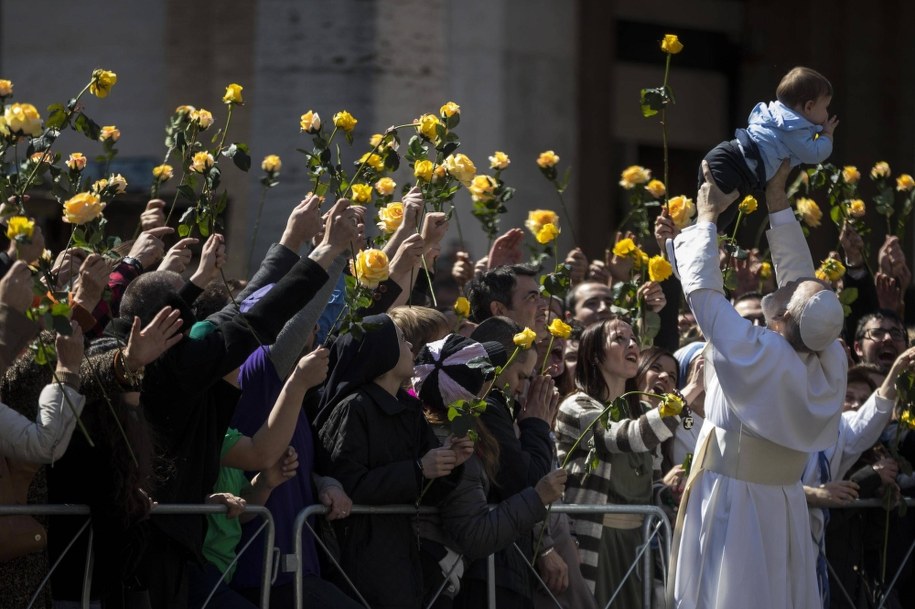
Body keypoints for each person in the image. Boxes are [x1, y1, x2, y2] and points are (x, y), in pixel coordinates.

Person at [666, 160, 847, 609]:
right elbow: (801, 282)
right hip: (781, 503)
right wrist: (777, 200)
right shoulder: (829, 356)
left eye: (791, 293)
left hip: (735, 504)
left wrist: (706, 220)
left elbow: (706, 299)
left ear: (784, 319)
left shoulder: (760, 353)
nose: (788, 285)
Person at [318, 314, 473, 609]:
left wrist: (451, 461)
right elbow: (347, 484)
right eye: (401, 339)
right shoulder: (353, 408)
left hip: (401, 550)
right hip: (361, 555)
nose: (411, 344)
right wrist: (418, 470)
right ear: (382, 352)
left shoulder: (409, 410)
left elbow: (430, 487)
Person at [556, 317, 681, 607]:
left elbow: (650, 488)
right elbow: (623, 437)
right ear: (595, 355)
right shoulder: (577, 406)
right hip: (597, 543)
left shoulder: (640, 411)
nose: (632, 344)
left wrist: (673, 491)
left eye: (634, 339)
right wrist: (686, 396)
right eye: (619, 339)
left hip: (636, 547)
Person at [802, 347, 915, 608]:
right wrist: (812, 494)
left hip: (812, 547)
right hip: (773, 535)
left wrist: (896, 371)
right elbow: (758, 482)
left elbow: (868, 422)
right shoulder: (772, 417)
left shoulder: (838, 425)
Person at [701, 66, 838, 226]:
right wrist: (827, 135)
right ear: (808, 107)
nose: (827, 113)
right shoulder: (793, 128)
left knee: (710, 219)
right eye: (825, 107)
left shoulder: (777, 114)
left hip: (726, 157)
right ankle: (680, 247)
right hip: (736, 168)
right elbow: (815, 154)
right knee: (713, 222)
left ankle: (679, 243)